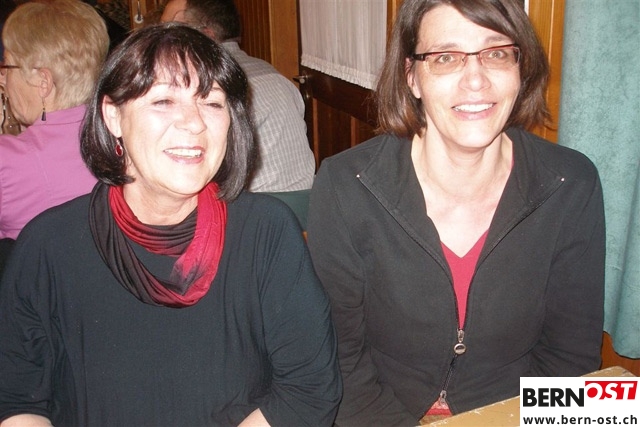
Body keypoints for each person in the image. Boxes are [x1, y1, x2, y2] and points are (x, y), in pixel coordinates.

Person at [0, 23, 341, 427]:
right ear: (113, 115)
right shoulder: (49, 245)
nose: (194, 123)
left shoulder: (266, 231)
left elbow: (309, 388)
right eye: (163, 100)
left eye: (212, 102)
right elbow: (17, 397)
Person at [306, 0, 605, 425]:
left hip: (511, 414)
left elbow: (571, 357)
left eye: (496, 53)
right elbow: (339, 359)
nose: (476, 80)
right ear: (412, 77)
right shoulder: (344, 186)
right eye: (446, 57)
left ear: (521, 68)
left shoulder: (571, 181)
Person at [160, 0, 315, 193]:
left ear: (206, 37)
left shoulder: (207, 90)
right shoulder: (275, 76)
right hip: (306, 202)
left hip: (250, 205)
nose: (160, 42)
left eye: (171, 31)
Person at [0, 0, 108, 245]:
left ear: (43, 82)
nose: (3, 79)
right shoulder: (117, 135)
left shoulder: (8, 161)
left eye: (7, 66)